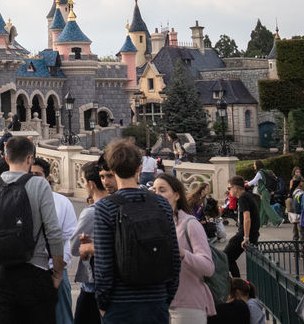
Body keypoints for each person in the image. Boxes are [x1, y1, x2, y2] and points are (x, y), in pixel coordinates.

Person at [0, 135, 66, 324]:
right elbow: (54, 232)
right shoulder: (40, 185)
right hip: (36, 272)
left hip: (1, 275)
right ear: (30, 159)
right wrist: (58, 272)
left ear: (6, 158)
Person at [87, 138, 179, 324]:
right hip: (156, 301)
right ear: (139, 168)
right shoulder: (161, 203)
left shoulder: (105, 207)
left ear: (113, 170)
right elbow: (174, 257)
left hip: (119, 304)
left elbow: (104, 264)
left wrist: (103, 304)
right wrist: (165, 297)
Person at [152, 174, 216, 324]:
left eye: (162, 190)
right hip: (159, 305)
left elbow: (208, 267)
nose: (157, 194)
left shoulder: (190, 224)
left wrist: (183, 254)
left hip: (187, 305)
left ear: (176, 195)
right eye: (154, 190)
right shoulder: (153, 225)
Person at [31, 157, 76, 324]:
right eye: (30, 174)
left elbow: (70, 238)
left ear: (47, 177)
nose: (34, 178)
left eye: (38, 175)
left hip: (55, 269)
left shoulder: (62, 203)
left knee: (62, 318)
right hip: (29, 271)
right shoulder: (20, 200)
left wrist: (59, 267)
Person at [70, 160, 109, 324]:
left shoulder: (92, 212)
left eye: (84, 181)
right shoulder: (116, 206)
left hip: (93, 283)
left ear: (91, 184)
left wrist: (86, 246)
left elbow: (74, 248)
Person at [223, 177, 258, 279]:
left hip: (245, 234)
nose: (229, 191)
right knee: (229, 257)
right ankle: (237, 281)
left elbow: (247, 218)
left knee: (225, 257)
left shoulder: (243, 198)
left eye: (229, 188)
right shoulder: (247, 196)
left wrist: (246, 238)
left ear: (235, 188)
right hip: (250, 233)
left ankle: (237, 283)